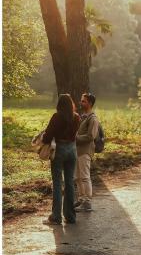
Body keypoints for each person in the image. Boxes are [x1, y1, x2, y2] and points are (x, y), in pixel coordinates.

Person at [42, 94, 81, 225]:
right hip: (72, 150)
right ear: (71, 104)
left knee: (58, 183)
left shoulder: (56, 117)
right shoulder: (76, 117)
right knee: (69, 182)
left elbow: (47, 137)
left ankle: (56, 217)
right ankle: (70, 216)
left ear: (59, 104)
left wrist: (43, 137)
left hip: (59, 149)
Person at [75, 92, 100, 212]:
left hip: (85, 151)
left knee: (85, 177)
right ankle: (81, 199)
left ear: (90, 103)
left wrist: (75, 138)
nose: (81, 102)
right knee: (77, 177)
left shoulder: (93, 118)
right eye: (81, 100)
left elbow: (91, 136)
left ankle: (87, 202)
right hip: (77, 150)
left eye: (83, 101)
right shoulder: (83, 116)